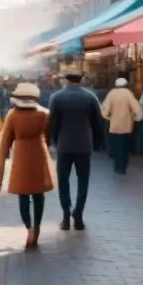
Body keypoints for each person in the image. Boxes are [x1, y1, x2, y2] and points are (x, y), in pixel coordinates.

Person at [0, 83, 54, 248]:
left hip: (21, 156)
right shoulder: (44, 114)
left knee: (23, 195)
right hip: (39, 155)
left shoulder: (12, 115)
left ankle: (29, 228)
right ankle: (37, 226)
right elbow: (48, 137)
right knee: (38, 195)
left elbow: (4, 143)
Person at [47, 69, 104, 230]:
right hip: (84, 145)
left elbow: (52, 123)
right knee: (83, 180)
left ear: (66, 80)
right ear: (82, 79)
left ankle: (66, 215)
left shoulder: (56, 97)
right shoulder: (90, 97)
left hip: (64, 145)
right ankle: (78, 214)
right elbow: (97, 122)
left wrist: (54, 140)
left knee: (63, 180)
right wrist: (98, 142)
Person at [102, 77, 143, 174]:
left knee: (116, 147)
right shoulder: (128, 94)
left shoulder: (111, 94)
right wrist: (137, 118)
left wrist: (109, 118)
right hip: (126, 126)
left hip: (114, 126)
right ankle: (123, 167)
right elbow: (137, 109)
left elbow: (104, 111)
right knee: (125, 148)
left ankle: (117, 166)